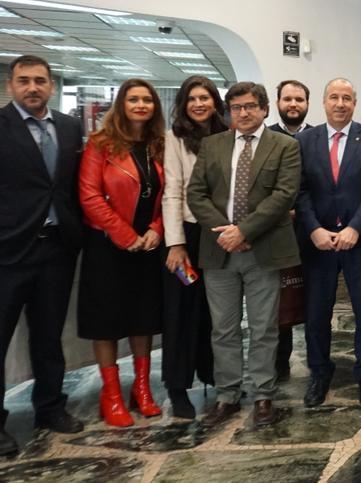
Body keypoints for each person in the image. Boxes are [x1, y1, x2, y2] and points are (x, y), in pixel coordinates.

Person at [186, 82, 302, 429]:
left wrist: (245, 231)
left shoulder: (285, 146)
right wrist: (227, 231)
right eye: (236, 108)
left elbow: (284, 195)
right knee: (223, 329)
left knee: (265, 327)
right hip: (219, 250)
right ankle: (227, 396)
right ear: (229, 112)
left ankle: (263, 395)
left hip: (262, 250)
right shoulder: (212, 144)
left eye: (251, 106)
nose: (244, 113)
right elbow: (196, 194)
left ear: (265, 109)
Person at [0, 55, 85, 454]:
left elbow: (68, 187)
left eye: (39, 81)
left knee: (49, 336)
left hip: (57, 248)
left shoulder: (68, 127)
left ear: (51, 85)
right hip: (9, 251)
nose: (32, 88)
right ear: (11, 86)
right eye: (23, 81)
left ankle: (49, 408)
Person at [295, 78, 361, 408]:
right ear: (323, 102)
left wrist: (355, 228)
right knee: (317, 313)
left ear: (354, 103)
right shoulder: (305, 140)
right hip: (318, 242)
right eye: (334, 97)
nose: (340, 103)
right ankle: (319, 372)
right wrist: (313, 229)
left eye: (346, 98)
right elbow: (300, 190)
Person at [77, 78, 166, 427]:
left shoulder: (159, 144)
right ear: (122, 104)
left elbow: (170, 193)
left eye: (147, 100)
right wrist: (125, 234)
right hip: (108, 247)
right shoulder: (100, 144)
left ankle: (141, 390)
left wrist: (156, 229)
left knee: (143, 318)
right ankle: (111, 394)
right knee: (107, 321)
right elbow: (89, 197)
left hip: (147, 245)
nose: (141, 105)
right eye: (134, 99)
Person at [161, 76, 224, 419]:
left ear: (215, 102)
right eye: (192, 99)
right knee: (182, 309)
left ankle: (211, 373)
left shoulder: (226, 135)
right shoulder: (175, 138)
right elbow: (172, 190)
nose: (199, 104)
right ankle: (177, 385)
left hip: (215, 237)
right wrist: (176, 244)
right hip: (186, 238)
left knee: (213, 310)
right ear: (183, 104)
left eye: (205, 98)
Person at [268, 79, 312, 381]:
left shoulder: (317, 138)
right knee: (277, 303)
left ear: (307, 103)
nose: (293, 104)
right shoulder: (266, 137)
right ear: (278, 102)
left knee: (314, 299)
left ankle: (316, 360)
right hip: (275, 231)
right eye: (288, 99)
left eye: (299, 99)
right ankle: (278, 363)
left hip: (310, 231)